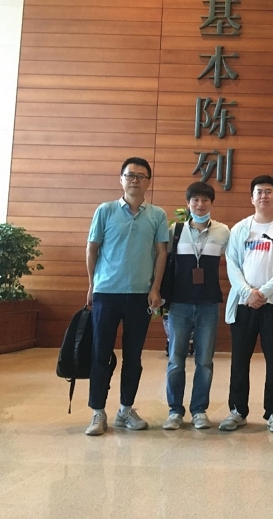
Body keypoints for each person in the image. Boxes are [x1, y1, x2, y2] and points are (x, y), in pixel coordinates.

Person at [84, 157, 168, 436]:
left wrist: (155, 288)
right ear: (121, 179)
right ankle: (98, 412)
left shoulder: (157, 215)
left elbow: (162, 253)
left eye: (140, 176)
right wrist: (92, 285)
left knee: (134, 355)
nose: (135, 180)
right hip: (106, 293)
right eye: (130, 175)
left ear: (148, 182)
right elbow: (92, 249)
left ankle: (125, 410)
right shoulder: (105, 210)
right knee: (100, 353)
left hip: (140, 295)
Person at [219, 175, 273, 433]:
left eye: (268, 192)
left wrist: (263, 292)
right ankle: (237, 410)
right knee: (239, 358)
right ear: (252, 198)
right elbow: (232, 264)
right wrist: (248, 292)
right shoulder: (240, 228)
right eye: (259, 192)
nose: (264, 196)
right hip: (244, 304)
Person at [162, 182, 230, 431]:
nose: (200, 204)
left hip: (208, 305)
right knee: (175, 360)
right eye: (195, 200)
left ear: (212, 203)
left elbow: (234, 261)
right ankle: (174, 411)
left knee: (204, 361)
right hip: (179, 304)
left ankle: (199, 410)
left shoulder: (223, 232)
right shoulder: (175, 230)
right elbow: (163, 262)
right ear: (188, 203)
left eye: (205, 200)